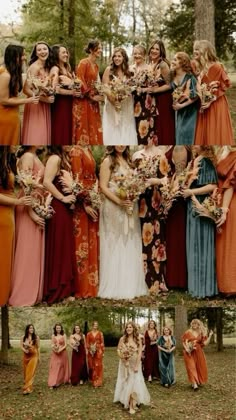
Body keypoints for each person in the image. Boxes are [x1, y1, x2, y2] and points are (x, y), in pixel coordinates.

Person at [98, 146, 147, 299]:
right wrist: (120, 201)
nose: (120, 145)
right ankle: (115, 284)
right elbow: (103, 187)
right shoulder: (107, 161)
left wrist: (132, 196)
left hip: (129, 205)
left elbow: (134, 183)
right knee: (116, 240)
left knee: (129, 239)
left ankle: (131, 283)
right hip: (114, 206)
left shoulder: (129, 161)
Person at [9, 146, 45, 306]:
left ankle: (33, 290)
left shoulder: (35, 156)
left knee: (34, 252)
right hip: (27, 209)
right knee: (27, 251)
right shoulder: (28, 157)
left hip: (37, 206)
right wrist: (31, 213)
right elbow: (26, 185)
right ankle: (22, 293)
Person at [132, 142, 169, 293]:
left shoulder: (161, 154)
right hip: (142, 204)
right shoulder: (137, 155)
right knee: (144, 243)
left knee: (157, 242)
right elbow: (135, 181)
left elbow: (166, 179)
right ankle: (144, 281)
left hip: (156, 202)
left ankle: (158, 281)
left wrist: (158, 182)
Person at [182, 146, 218, 298]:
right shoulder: (193, 162)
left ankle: (205, 289)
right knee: (193, 246)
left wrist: (192, 192)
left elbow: (212, 185)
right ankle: (195, 287)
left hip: (202, 206)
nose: (194, 145)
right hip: (191, 207)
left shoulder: (206, 162)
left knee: (202, 245)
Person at [43, 146, 77, 304]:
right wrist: (63, 198)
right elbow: (46, 182)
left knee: (65, 247)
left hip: (65, 209)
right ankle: (57, 290)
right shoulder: (54, 158)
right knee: (59, 247)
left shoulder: (64, 158)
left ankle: (66, 289)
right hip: (57, 207)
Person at [0, 146, 32, 306]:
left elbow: (22, 182)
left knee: (6, 257)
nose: (17, 145)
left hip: (9, 215)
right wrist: (17, 202)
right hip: (2, 213)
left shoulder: (12, 162)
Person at [70, 145, 99, 298]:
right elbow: (77, 179)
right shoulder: (76, 151)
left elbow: (93, 177)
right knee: (82, 246)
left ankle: (92, 285)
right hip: (82, 205)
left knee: (92, 242)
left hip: (92, 198)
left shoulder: (89, 149)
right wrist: (85, 203)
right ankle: (82, 287)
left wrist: (95, 198)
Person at [193, 40, 234, 145]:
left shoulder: (216, 67)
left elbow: (224, 85)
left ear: (205, 51)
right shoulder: (200, 67)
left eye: (198, 49)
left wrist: (211, 100)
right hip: (204, 104)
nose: (195, 51)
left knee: (214, 131)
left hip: (216, 104)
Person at [0, 44, 39, 144]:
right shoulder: (5, 75)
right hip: (5, 117)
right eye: (22, 55)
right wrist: (28, 100)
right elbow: (3, 100)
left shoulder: (13, 72)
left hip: (13, 115)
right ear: (13, 56)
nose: (24, 57)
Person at [165, 146, 191, 289]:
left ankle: (181, 280)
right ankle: (172, 279)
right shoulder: (171, 171)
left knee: (181, 242)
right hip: (171, 208)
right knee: (172, 242)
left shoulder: (186, 149)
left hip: (181, 206)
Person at [114, 321, 150, 415]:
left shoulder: (138, 339)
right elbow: (118, 350)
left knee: (134, 382)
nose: (128, 329)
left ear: (133, 328)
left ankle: (132, 404)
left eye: (130, 327)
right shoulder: (122, 339)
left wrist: (137, 366)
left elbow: (139, 354)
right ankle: (127, 400)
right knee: (126, 381)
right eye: (127, 327)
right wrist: (124, 359)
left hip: (135, 364)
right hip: (124, 364)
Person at [102, 47, 137, 145]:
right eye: (115, 56)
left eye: (119, 56)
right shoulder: (109, 70)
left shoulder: (129, 71)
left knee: (126, 126)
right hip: (112, 103)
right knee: (114, 126)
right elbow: (105, 88)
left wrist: (125, 95)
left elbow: (132, 87)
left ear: (124, 58)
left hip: (126, 104)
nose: (117, 58)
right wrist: (114, 102)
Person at [22, 41, 54, 145]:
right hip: (35, 104)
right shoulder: (34, 67)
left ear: (49, 51)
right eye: (39, 50)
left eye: (45, 49)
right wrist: (44, 99)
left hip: (45, 105)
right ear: (36, 53)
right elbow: (26, 90)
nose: (42, 52)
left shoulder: (47, 67)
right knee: (37, 136)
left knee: (44, 136)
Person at [72, 40, 103, 145]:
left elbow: (96, 84)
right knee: (83, 126)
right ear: (91, 50)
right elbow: (80, 80)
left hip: (93, 102)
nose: (100, 50)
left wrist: (101, 94)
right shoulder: (83, 63)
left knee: (94, 126)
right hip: (83, 101)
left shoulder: (96, 66)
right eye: (98, 48)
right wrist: (91, 96)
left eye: (101, 48)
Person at [216, 147, 236, 295]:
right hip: (222, 200)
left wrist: (224, 210)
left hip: (230, 204)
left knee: (229, 244)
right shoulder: (223, 150)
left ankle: (230, 286)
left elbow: (230, 185)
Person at [50, 44, 80, 145]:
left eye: (66, 52)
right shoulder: (55, 69)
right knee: (61, 129)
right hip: (60, 105)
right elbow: (55, 89)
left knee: (68, 129)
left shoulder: (67, 68)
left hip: (69, 103)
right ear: (56, 54)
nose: (66, 54)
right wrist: (71, 92)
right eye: (63, 52)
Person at [148, 40, 175, 145]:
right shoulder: (149, 63)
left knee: (163, 125)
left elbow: (170, 84)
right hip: (152, 101)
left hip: (163, 99)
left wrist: (156, 90)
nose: (154, 51)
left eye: (157, 49)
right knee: (154, 126)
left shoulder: (163, 65)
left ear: (161, 52)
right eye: (153, 48)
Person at [131, 44, 158, 145]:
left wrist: (143, 90)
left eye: (140, 53)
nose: (137, 55)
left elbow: (154, 87)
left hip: (145, 104)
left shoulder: (149, 68)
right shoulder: (130, 68)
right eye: (135, 53)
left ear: (144, 55)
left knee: (144, 131)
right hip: (132, 103)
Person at [170, 52, 199, 145]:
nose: (172, 61)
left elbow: (196, 96)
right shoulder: (172, 76)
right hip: (178, 113)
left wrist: (181, 105)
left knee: (187, 134)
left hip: (190, 112)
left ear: (183, 62)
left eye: (175, 60)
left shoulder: (190, 78)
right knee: (179, 135)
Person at [182, 319, 213, 390]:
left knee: (198, 367)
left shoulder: (201, 333)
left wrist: (210, 336)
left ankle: (196, 381)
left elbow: (205, 343)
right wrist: (187, 348)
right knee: (191, 366)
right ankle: (194, 384)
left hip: (198, 352)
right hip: (189, 352)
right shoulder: (188, 332)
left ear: (198, 325)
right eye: (193, 324)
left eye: (196, 324)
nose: (194, 325)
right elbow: (183, 342)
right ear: (191, 324)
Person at [48, 323, 70, 389]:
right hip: (55, 353)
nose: (58, 329)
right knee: (54, 367)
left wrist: (60, 350)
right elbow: (52, 344)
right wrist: (55, 349)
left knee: (61, 367)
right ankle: (52, 382)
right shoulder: (53, 336)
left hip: (62, 353)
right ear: (55, 329)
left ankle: (59, 381)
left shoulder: (64, 335)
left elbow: (66, 344)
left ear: (61, 328)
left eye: (59, 328)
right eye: (57, 328)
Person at [21, 324, 40, 395]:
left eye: (32, 328)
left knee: (31, 372)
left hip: (34, 356)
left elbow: (37, 347)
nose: (31, 329)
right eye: (30, 328)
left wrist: (39, 357)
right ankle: (29, 386)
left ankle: (27, 388)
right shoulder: (23, 337)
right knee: (26, 372)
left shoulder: (36, 337)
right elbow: (21, 346)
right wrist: (24, 350)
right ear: (27, 329)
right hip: (26, 356)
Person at [86, 321, 104, 387]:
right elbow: (87, 343)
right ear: (92, 325)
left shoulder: (100, 333)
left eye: (97, 325)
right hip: (91, 352)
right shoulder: (88, 334)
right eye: (94, 325)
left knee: (98, 366)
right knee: (92, 365)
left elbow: (102, 343)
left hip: (98, 352)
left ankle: (98, 381)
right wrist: (90, 349)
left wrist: (102, 351)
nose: (95, 326)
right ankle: (93, 379)